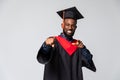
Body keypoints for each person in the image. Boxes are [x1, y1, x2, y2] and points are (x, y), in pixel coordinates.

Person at [37, 6, 96, 80]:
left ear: (75, 27)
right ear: (62, 25)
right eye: (67, 25)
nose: (70, 28)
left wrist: (83, 48)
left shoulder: (78, 46)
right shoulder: (53, 42)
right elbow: (42, 59)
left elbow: (89, 62)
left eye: (73, 25)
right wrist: (46, 45)